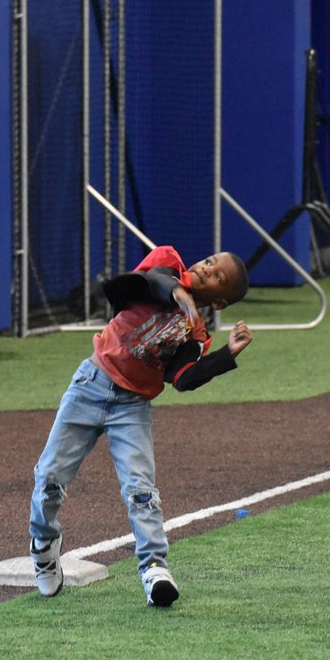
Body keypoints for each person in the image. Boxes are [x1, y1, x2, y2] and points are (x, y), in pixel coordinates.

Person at [28, 245, 253, 607]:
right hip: (91, 384)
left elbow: (183, 379)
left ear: (220, 302)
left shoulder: (196, 335)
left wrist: (227, 355)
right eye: (210, 262)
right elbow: (140, 282)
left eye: (217, 277)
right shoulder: (168, 262)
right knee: (50, 478)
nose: (208, 269)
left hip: (131, 407)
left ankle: (154, 569)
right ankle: (43, 544)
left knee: (140, 490)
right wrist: (177, 292)